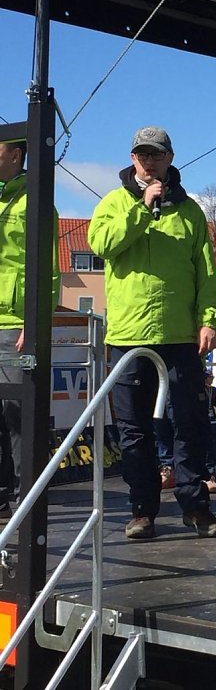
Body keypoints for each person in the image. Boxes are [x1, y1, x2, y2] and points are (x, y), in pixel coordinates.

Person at [88, 126, 216, 539]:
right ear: (132, 160)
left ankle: (195, 506)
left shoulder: (191, 212)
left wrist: (211, 318)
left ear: (169, 159)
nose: (149, 162)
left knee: (189, 423)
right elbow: (102, 245)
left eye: (156, 155)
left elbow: (207, 272)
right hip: (129, 337)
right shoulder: (113, 204)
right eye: (141, 155)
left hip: (181, 335)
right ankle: (142, 509)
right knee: (133, 430)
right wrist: (140, 210)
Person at [0, 139, 60, 521]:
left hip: (15, 325)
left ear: (16, 155)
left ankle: (26, 497)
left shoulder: (36, 202)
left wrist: (34, 321)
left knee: (17, 413)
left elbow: (48, 270)